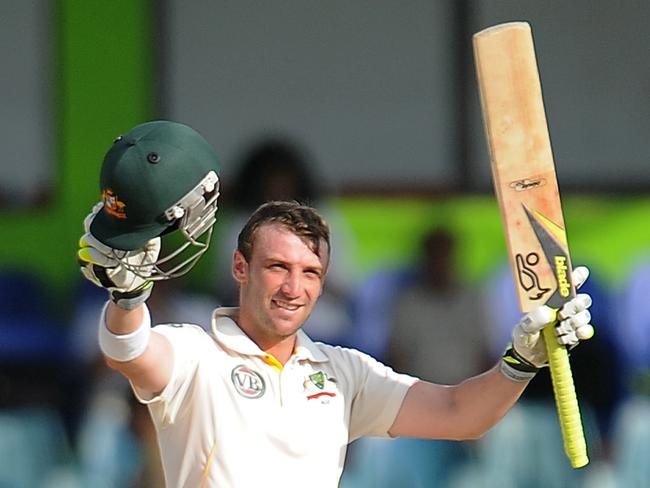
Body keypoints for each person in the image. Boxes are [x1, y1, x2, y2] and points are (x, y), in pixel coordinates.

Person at [77, 120, 595, 488]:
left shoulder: (343, 373)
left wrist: (522, 361)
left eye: (309, 274)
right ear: (241, 268)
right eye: (277, 267)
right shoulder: (195, 353)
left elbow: (461, 414)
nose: (292, 288)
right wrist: (128, 296)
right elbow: (129, 350)